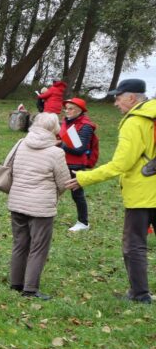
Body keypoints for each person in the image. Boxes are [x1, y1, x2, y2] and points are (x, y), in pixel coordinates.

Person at [67, 79, 156, 304]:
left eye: (118, 97)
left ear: (131, 98)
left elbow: (121, 164)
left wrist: (84, 177)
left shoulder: (135, 122)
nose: (115, 102)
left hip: (143, 193)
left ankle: (139, 294)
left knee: (134, 244)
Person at [6, 113, 71, 300]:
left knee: (20, 244)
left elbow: (7, 168)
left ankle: (16, 283)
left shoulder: (20, 144)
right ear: (54, 129)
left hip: (17, 201)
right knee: (38, 247)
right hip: (41, 207)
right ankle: (30, 289)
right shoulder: (56, 153)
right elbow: (64, 182)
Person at [60, 97, 99, 232]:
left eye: (71, 108)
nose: (67, 111)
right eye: (66, 108)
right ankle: (43, 215)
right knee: (49, 188)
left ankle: (83, 222)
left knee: (77, 194)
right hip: (60, 161)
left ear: (80, 110)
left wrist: (61, 144)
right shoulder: (65, 122)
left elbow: (80, 149)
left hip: (75, 165)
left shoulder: (86, 126)